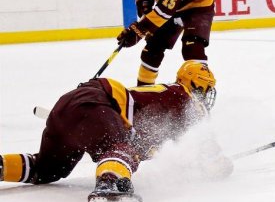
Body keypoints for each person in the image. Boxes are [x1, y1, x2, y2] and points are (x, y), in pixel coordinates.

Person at [0, 61, 231, 201]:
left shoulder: (165, 99)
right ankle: (110, 185)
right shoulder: (184, 98)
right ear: (198, 85)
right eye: (207, 89)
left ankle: (3, 167)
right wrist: (218, 162)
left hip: (70, 107)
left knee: (47, 169)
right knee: (121, 149)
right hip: (95, 103)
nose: (207, 96)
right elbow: (204, 141)